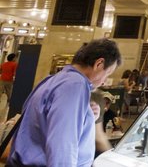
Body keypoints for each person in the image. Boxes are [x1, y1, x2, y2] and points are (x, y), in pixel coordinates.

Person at [8, 37, 121, 167]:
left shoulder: (55, 79)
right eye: (107, 74)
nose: (104, 81)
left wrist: (87, 118)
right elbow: (62, 145)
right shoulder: (75, 85)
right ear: (99, 64)